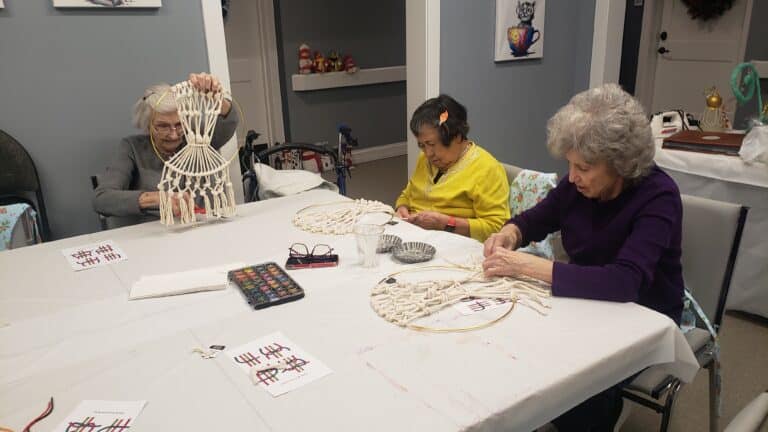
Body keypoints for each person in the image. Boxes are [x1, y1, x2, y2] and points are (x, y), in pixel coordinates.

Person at [483, 83, 684, 430]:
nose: (573, 176)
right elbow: (539, 218)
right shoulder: (577, 185)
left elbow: (625, 282)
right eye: (570, 165)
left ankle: (599, 413)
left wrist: (529, 265)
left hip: (642, 315)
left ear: (620, 163)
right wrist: (511, 232)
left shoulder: (659, 196)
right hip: (584, 301)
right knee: (510, 347)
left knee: (573, 384)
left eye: (585, 167)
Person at [93, 72, 239, 225]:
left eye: (179, 124)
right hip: (159, 233)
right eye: (163, 126)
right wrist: (155, 198)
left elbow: (228, 121)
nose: (174, 135)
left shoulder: (196, 138)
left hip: (205, 226)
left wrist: (215, 95)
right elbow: (101, 199)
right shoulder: (132, 148)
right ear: (147, 124)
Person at [395, 94, 510, 242]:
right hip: (414, 237)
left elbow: (497, 228)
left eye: (432, 144)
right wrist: (402, 207)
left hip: (453, 244)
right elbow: (409, 193)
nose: (428, 154)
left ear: (457, 136)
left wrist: (446, 223)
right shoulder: (424, 159)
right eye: (422, 145)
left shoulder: (487, 169)